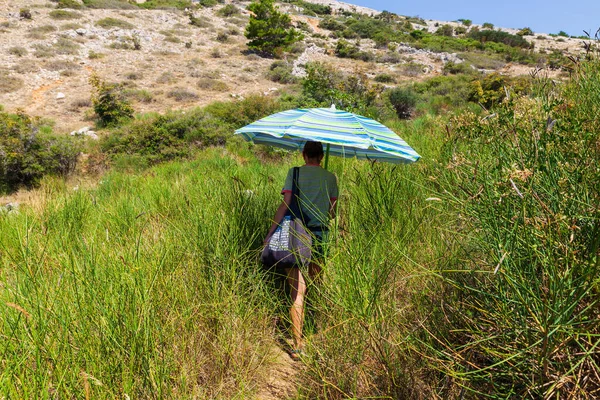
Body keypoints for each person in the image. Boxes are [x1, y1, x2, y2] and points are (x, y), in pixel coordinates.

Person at [265, 141, 338, 360]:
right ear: (322, 156)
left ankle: (298, 346)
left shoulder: (294, 173)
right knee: (317, 285)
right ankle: (317, 329)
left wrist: (270, 233)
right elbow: (332, 213)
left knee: (297, 293)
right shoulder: (331, 178)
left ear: (304, 154)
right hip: (321, 236)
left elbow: (286, 204)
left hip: (297, 236)